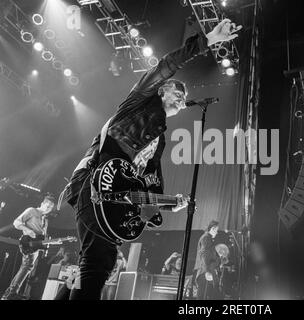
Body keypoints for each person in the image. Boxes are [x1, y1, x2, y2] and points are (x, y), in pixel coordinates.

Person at [57, 18, 242, 300]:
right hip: (94, 186)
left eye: (184, 96)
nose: (182, 98)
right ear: (161, 90)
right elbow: (166, 65)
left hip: (112, 199)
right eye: (178, 91)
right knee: (98, 262)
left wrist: (169, 204)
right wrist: (207, 42)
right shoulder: (140, 100)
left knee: (90, 265)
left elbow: (148, 187)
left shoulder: (160, 139)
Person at [1, 194, 55, 300]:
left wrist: (51, 241)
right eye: (47, 205)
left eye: (51, 207)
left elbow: (42, 237)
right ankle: (11, 293)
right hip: (28, 242)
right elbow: (16, 222)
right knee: (27, 266)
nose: (48, 208)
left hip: (36, 246)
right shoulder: (32, 210)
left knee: (26, 267)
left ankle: (10, 293)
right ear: (42, 204)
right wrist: (29, 231)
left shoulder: (46, 219)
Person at [193, 220, 222, 300]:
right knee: (203, 297)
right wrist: (207, 272)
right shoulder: (206, 238)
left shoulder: (207, 238)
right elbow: (204, 255)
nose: (217, 232)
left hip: (207, 272)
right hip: (205, 273)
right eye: (216, 230)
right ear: (212, 229)